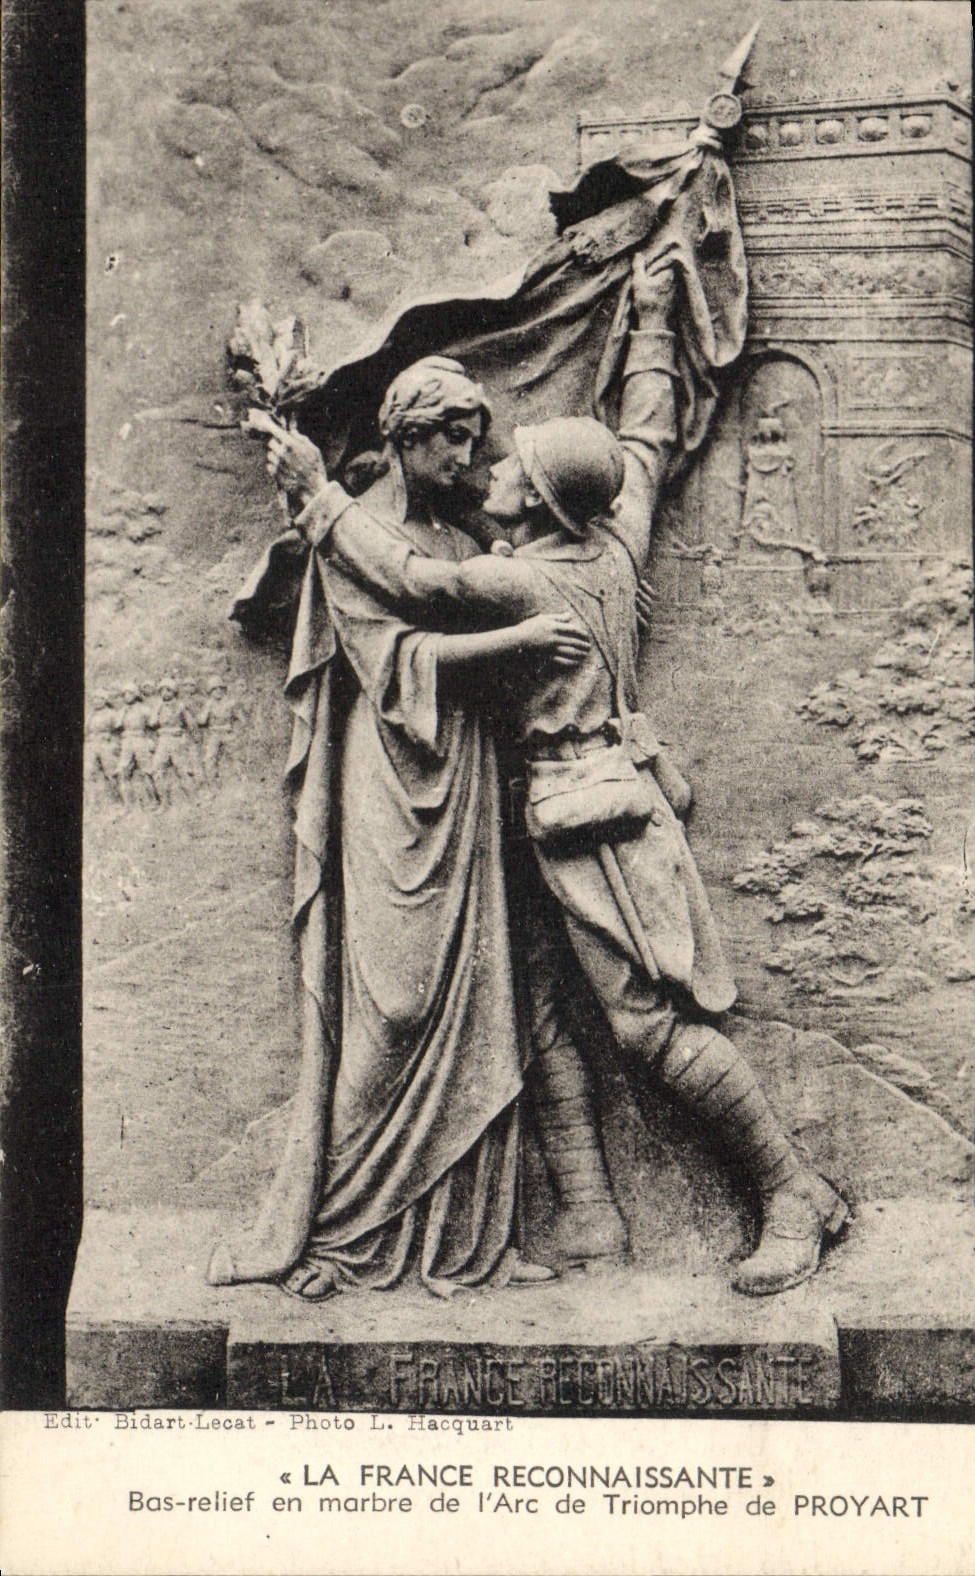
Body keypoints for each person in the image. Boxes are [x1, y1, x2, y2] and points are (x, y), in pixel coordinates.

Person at [273, 255, 849, 1296]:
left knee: (647, 1027)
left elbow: (412, 579)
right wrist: (654, 323)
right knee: (536, 1008)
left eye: (508, 466)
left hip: (592, 819)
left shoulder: (519, 580)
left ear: (537, 501)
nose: (488, 467)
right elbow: (646, 440)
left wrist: (316, 499)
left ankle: (791, 1190)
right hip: (552, 810)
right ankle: (589, 1217)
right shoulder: (614, 543)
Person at [208, 357, 592, 1300]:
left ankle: (471, 1245)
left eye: (473, 436)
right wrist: (515, 642)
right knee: (396, 1006)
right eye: (450, 436)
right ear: (403, 434)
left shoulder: (452, 535)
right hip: (388, 782)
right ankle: (342, 1234)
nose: (467, 454)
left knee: (480, 997)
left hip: (466, 776)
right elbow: (396, 652)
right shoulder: (358, 532)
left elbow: (452, 594)